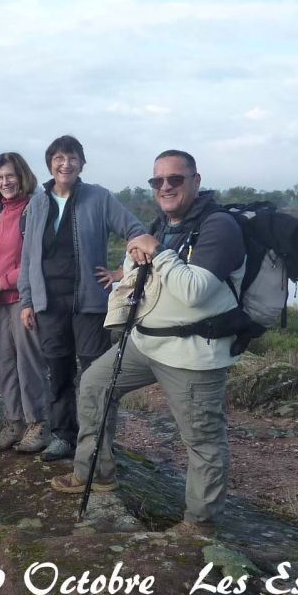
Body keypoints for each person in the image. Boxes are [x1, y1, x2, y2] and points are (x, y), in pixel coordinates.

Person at [50, 150, 245, 536]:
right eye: (158, 181)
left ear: (196, 180)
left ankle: (200, 525)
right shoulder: (165, 224)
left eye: (175, 179)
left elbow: (194, 291)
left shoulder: (218, 227)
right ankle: (95, 473)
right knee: (93, 386)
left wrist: (156, 250)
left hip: (193, 354)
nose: (166, 186)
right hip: (147, 343)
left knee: (201, 439)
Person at [17, 135, 152, 462]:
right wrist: (26, 300)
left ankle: (97, 442)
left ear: (81, 162)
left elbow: (136, 231)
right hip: (49, 304)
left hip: (89, 304)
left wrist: (122, 273)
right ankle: (64, 436)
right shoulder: (37, 202)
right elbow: (27, 255)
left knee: (94, 374)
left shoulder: (99, 198)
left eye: (72, 158)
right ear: (50, 163)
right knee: (58, 372)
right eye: (59, 158)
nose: (66, 164)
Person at [0, 152, 52, 453]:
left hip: (24, 297)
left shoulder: (34, 207)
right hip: (1, 300)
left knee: (29, 362)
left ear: (22, 176)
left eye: (10, 175)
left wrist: (2, 281)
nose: (5, 181)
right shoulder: (2, 211)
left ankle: (39, 423)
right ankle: (13, 420)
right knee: (6, 362)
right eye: (0, 176)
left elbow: (37, 259)